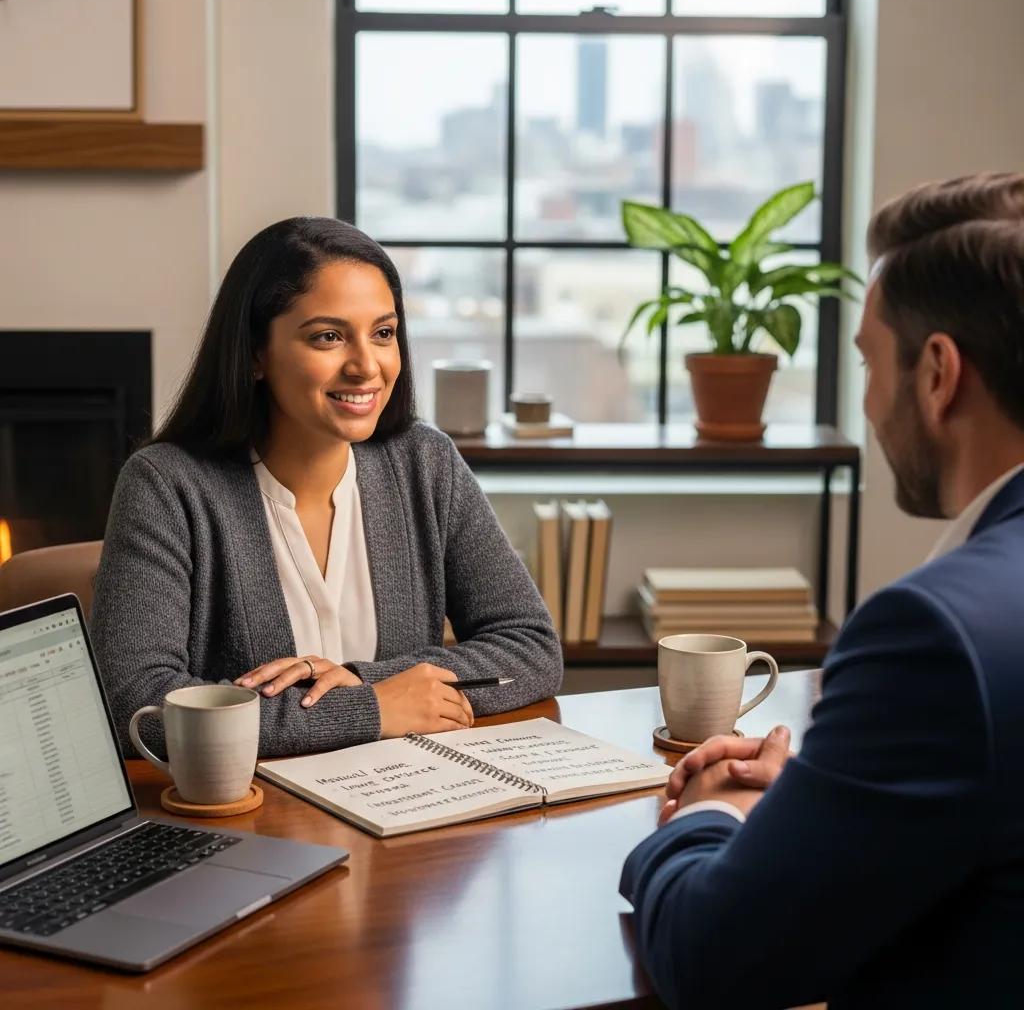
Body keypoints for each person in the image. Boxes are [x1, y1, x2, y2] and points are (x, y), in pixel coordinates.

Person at [620, 172, 1024, 1009]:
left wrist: (709, 811)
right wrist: (834, 792)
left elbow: (713, 961)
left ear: (939, 373)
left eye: (870, 364)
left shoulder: (934, 636)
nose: (872, 404)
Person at [91, 217, 562, 758]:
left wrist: (365, 680)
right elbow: (136, 705)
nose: (367, 367)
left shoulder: (425, 464)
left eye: (383, 333)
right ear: (254, 353)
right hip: (259, 824)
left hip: (411, 806)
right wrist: (371, 708)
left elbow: (532, 648)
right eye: (329, 337)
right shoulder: (167, 487)